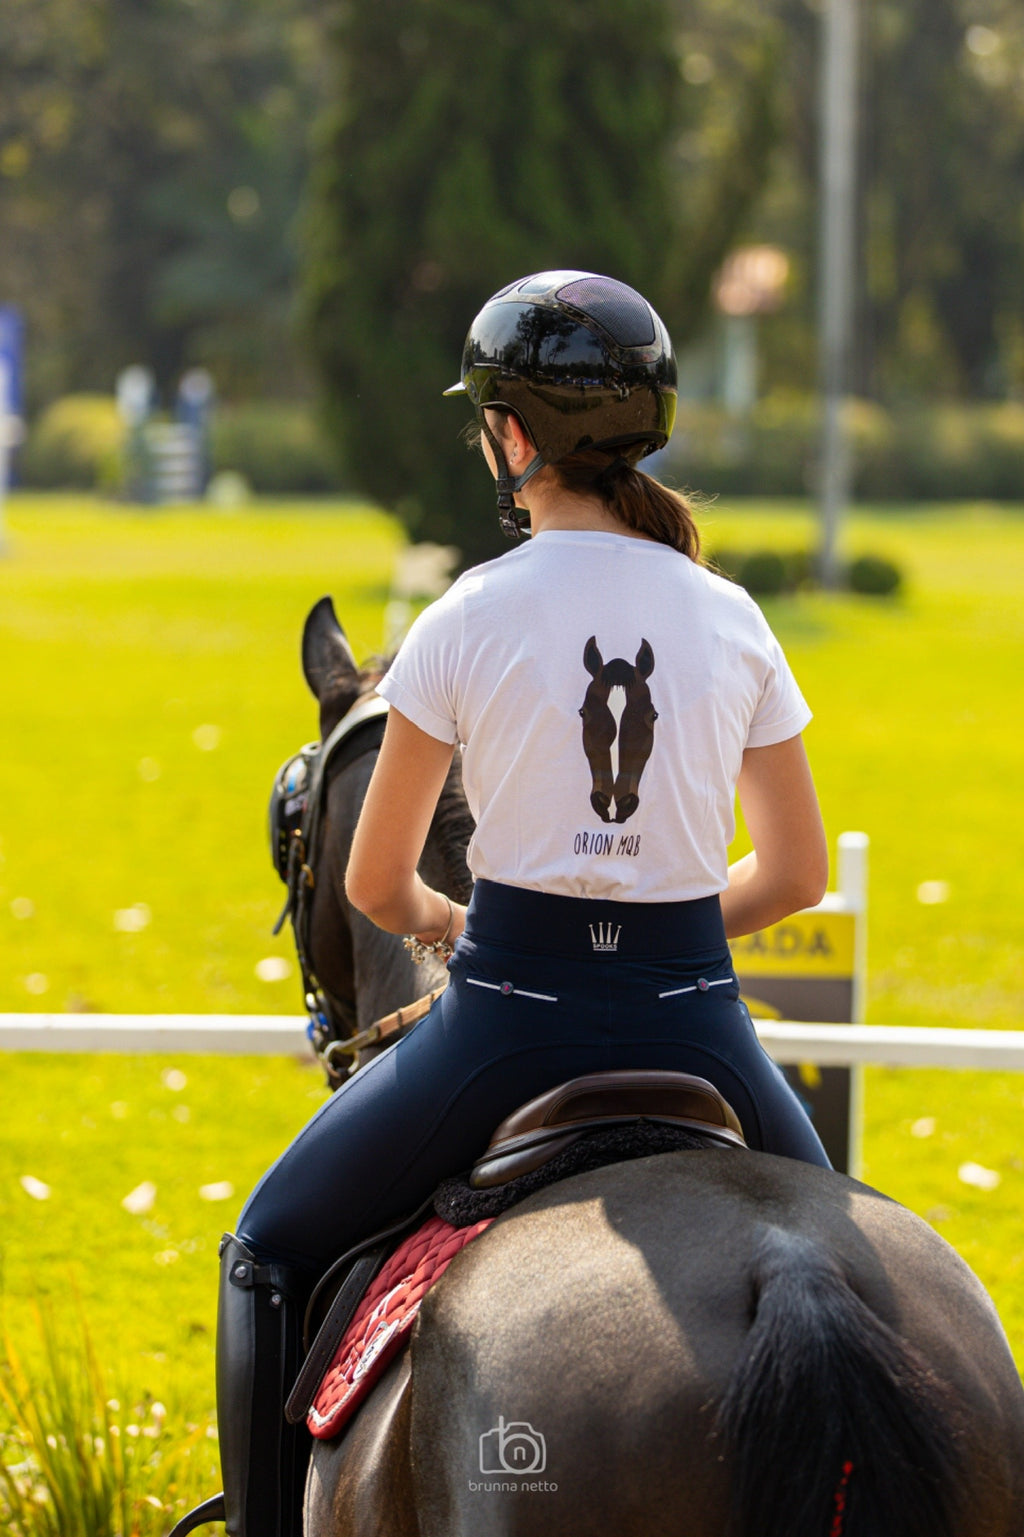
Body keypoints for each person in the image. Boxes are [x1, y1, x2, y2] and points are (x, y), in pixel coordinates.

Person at [171, 270, 830, 1537]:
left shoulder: (466, 613)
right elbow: (795, 874)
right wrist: (668, 915)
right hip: (700, 1027)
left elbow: (371, 879)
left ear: (513, 436)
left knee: (264, 1245)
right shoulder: (735, 616)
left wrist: (452, 923)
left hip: (508, 1028)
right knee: (852, 1260)